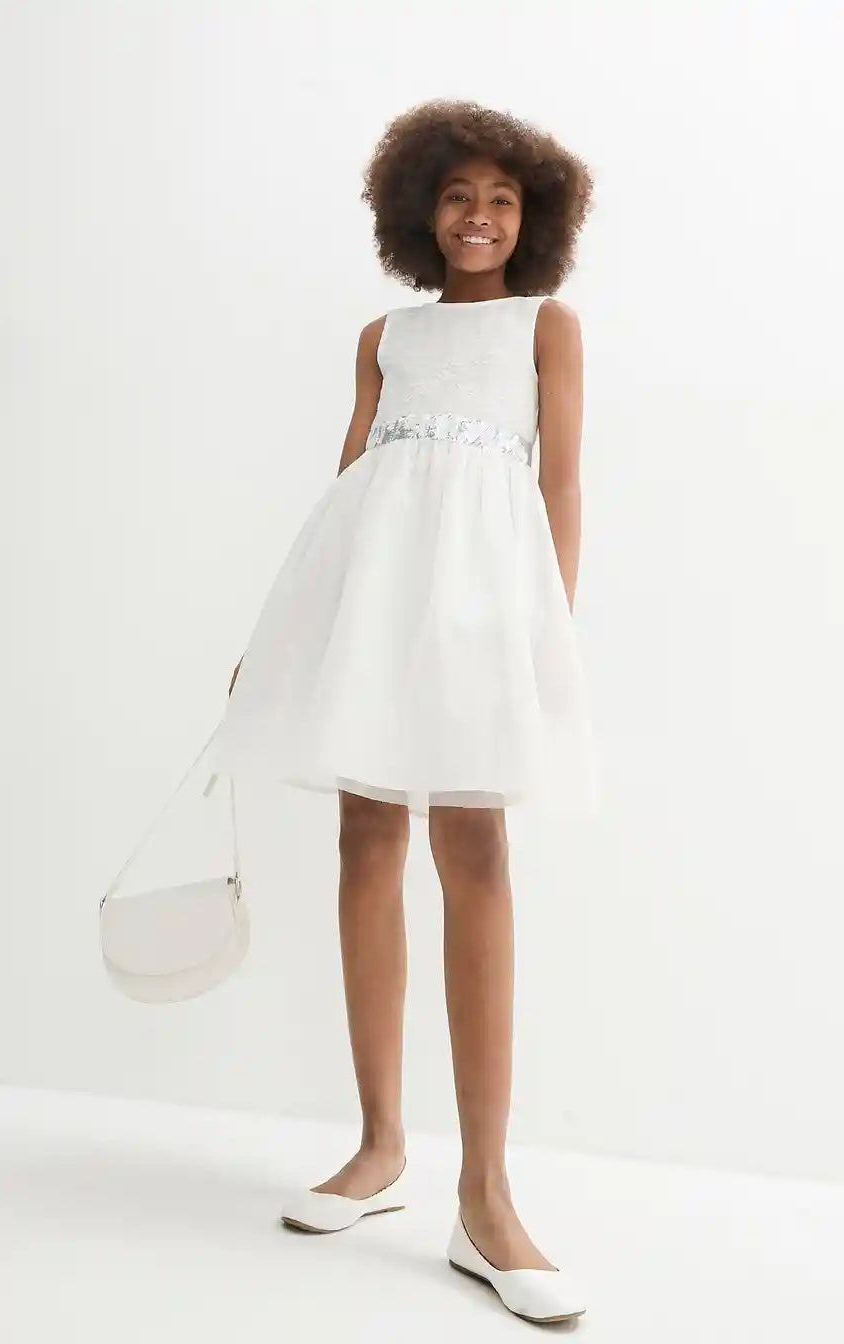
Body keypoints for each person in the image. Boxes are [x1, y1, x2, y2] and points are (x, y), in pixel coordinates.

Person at [203, 98, 599, 1323]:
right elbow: (351, 486)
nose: (479, 216)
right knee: (364, 838)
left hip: (482, 617)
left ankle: (486, 1197)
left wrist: (551, 633)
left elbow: (562, 485)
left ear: (533, 219)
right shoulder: (386, 338)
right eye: (457, 195)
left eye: (503, 199)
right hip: (376, 608)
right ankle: (379, 1148)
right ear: (419, 211)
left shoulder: (546, 329)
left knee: (474, 849)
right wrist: (279, 635)